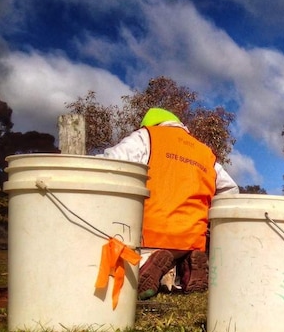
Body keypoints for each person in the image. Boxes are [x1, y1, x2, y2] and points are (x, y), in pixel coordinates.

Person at [101, 107, 239, 299]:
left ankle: (147, 265)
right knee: (180, 251)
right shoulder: (205, 153)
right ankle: (189, 265)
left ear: (149, 124)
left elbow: (110, 163)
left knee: (127, 272)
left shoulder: (146, 137)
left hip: (152, 235)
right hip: (192, 239)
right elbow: (230, 190)